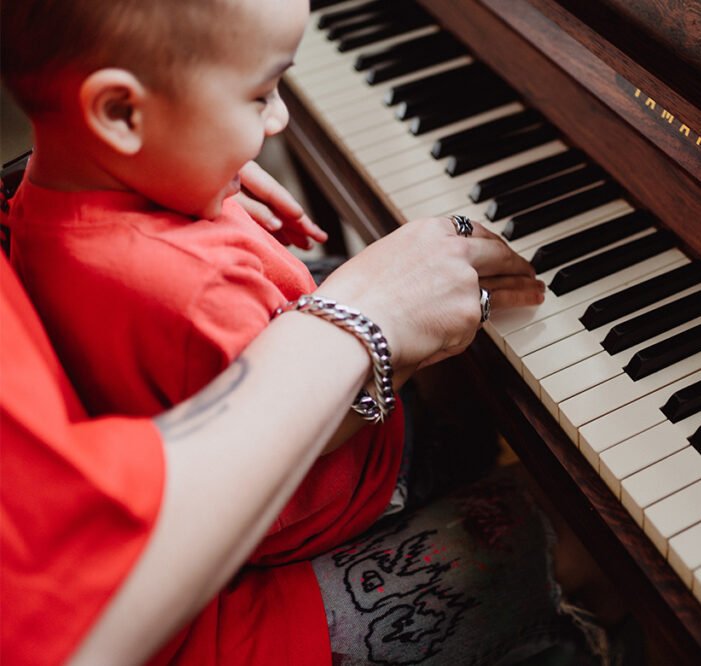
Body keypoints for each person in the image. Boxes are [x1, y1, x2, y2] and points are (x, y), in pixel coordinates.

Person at [0, 0, 621, 663]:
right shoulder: (197, 288)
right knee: (580, 510)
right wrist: (402, 355)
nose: (279, 118)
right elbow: (319, 426)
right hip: (334, 493)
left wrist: (180, 143)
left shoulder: (39, 205)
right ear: (122, 113)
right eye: (261, 93)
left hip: (185, 431)